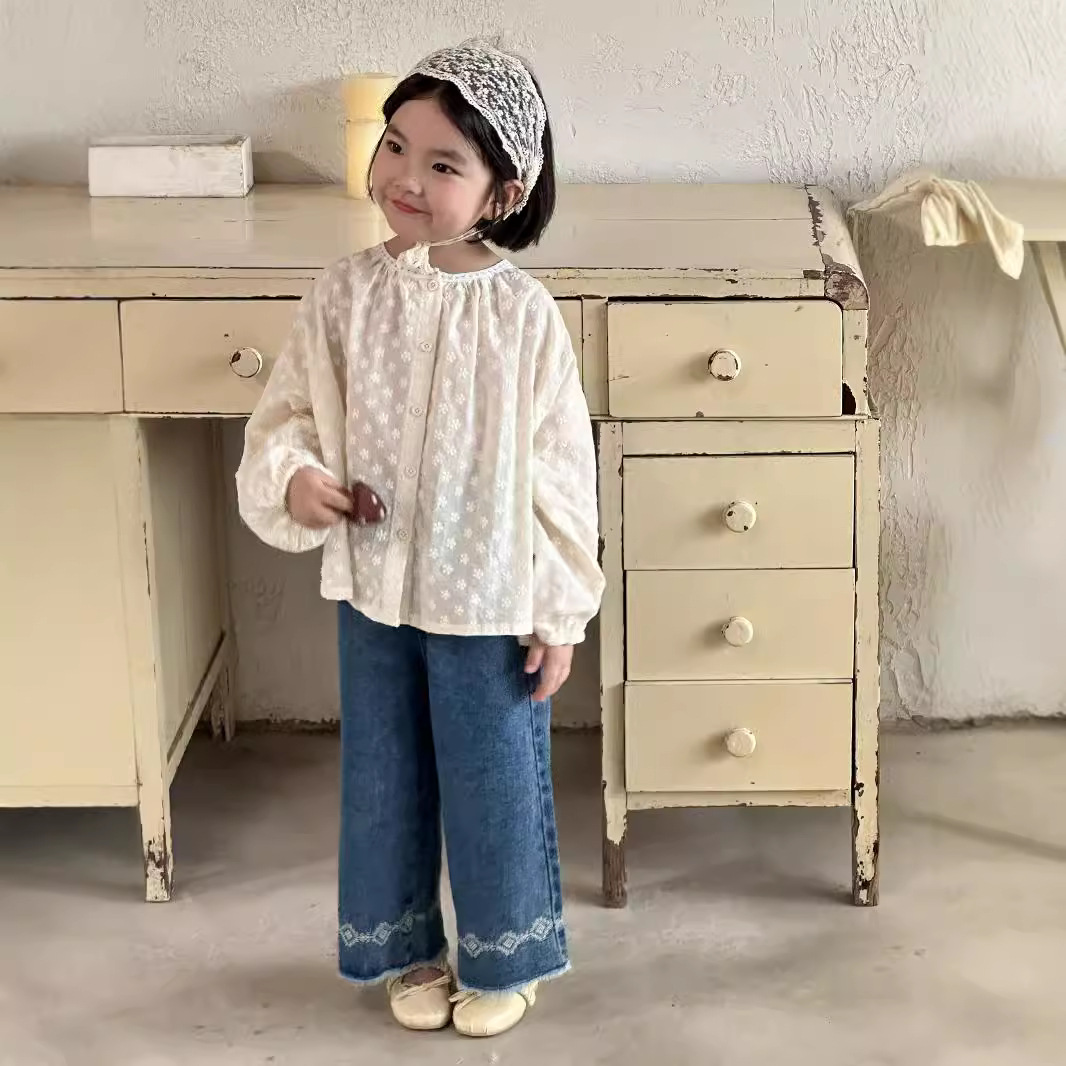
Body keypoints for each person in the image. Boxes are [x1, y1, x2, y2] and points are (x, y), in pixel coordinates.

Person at [235, 40, 604, 1038]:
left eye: (444, 164)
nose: (405, 175)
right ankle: (407, 950)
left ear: (501, 192)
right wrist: (297, 479)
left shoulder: (523, 317)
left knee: (492, 779)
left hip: (488, 595)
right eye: (395, 145)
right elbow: (286, 418)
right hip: (374, 591)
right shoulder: (344, 293)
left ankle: (506, 957)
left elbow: (562, 477)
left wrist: (559, 613)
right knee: (385, 778)